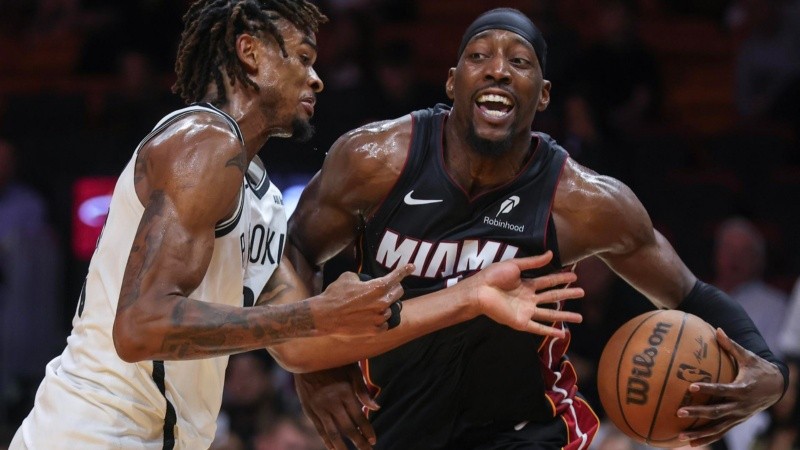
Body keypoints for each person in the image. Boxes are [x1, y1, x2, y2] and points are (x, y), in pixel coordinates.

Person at [10, 2, 584, 449]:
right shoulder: (202, 142)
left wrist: (471, 296)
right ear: (251, 53)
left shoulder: (257, 191)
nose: (317, 79)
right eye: (303, 58)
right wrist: (313, 314)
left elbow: (302, 345)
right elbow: (140, 328)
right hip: (93, 431)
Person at [277, 8, 790, 450]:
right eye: (479, 56)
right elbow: (293, 248)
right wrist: (313, 368)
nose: (498, 69)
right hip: (392, 424)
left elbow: (687, 292)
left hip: (526, 429)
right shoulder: (375, 159)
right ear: (453, 82)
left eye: (519, 62)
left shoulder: (583, 201)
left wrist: (771, 369)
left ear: (543, 95)